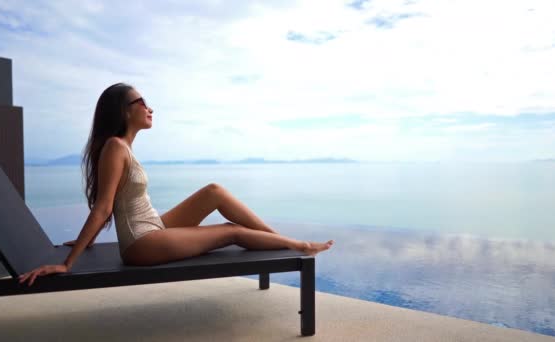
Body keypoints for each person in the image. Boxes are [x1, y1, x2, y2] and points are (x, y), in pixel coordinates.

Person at [19, 83, 334, 286]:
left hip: (153, 227)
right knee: (230, 232)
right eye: (142, 101)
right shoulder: (115, 147)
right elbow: (104, 206)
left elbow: (113, 203)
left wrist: (84, 241)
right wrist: (67, 264)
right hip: (141, 243)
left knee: (214, 191)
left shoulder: (124, 147)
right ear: (124, 111)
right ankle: (297, 246)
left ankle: (279, 241)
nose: (149, 107)